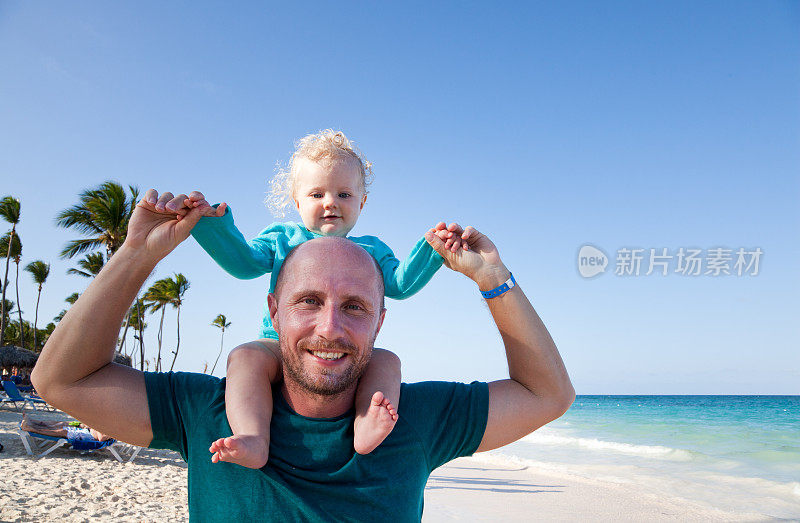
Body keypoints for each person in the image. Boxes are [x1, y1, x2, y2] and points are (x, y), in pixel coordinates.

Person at [32, 191, 574, 521]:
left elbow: (548, 394)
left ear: (381, 320)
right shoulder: (207, 414)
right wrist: (135, 255)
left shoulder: (412, 418)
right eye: (308, 301)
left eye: (356, 307)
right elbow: (61, 379)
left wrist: (493, 278)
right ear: (274, 308)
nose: (330, 327)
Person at [170, 130, 460, 468]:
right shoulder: (283, 239)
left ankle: (366, 423)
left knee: (387, 361)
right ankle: (253, 436)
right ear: (297, 201)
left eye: (344, 194)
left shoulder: (371, 252)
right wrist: (211, 226)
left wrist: (432, 250)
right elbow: (243, 264)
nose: (330, 202)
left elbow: (399, 284)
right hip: (278, 345)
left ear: (362, 202)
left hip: (343, 351)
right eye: (317, 193)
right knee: (245, 357)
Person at [20, 414, 111, 442]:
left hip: (88, 436)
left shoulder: (115, 432)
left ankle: (31, 428)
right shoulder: (113, 426)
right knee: (61, 425)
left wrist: (97, 426)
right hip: (85, 431)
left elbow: (101, 438)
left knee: (62, 431)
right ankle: (33, 424)